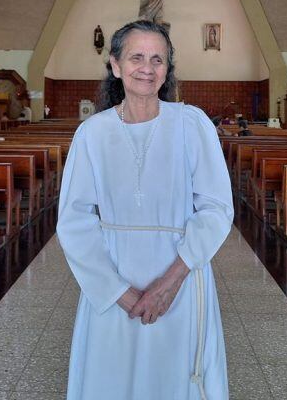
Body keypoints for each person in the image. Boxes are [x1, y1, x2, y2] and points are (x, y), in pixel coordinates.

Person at [57, 20, 233, 399]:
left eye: (158, 59)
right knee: (112, 378)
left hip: (181, 277)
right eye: (136, 57)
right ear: (115, 65)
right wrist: (120, 293)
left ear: (168, 69)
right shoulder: (92, 133)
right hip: (111, 280)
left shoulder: (192, 124)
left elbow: (216, 207)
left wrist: (169, 284)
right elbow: (74, 219)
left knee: (171, 377)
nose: (147, 68)